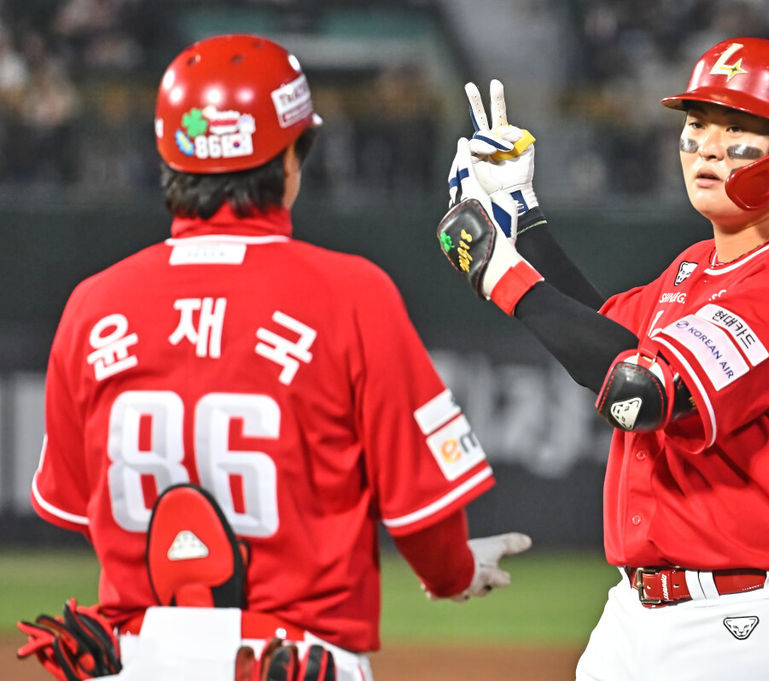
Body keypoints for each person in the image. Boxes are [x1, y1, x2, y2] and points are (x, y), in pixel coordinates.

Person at [23, 33, 530, 681]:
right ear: (291, 156)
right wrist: (452, 570)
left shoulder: (92, 306)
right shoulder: (351, 295)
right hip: (292, 659)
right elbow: (425, 514)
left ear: (168, 156)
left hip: (131, 657)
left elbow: (75, 507)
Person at [438, 37, 769, 680]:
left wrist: (500, 274)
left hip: (753, 619)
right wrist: (521, 218)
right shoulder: (695, 267)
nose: (709, 146)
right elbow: (603, 338)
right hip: (637, 614)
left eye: (738, 128)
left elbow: (638, 392)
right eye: (697, 124)